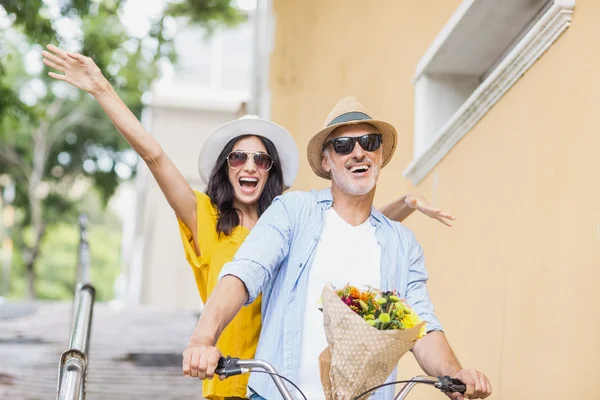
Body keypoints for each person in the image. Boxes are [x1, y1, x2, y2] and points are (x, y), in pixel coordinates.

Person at [41, 46, 457, 400]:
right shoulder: (209, 217)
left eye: (261, 159)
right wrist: (101, 88)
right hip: (227, 379)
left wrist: (403, 205)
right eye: (238, 157)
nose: (250, 165)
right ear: (226, 167)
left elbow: (357, 233)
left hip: (282, 377)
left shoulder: (290, 221)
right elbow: (155, 157)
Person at [182, 97, 492, 400]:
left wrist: (454, 374)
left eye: (369, 142)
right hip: (280, 393)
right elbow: (244, 273)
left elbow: (419, 326)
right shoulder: (292, 211)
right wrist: (202, 339)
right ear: (326, 161)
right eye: (344, 145)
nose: (358, 152)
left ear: (380, 155)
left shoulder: (402, 244)